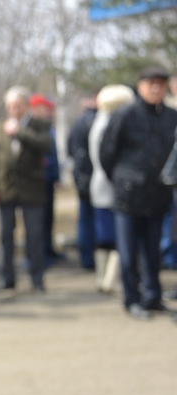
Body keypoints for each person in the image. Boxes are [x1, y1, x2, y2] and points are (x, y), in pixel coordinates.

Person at [99, 66, 177, 319]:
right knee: (128, 250)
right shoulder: (125, 115)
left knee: (153, 250)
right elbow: (107, 153)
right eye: (151, 83)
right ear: (140, 86)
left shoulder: (171, 116)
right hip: (129, 195)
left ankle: (153, 296)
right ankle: (131, 298)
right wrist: (122, 179)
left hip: (158, 195)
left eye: (160, 84)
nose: (156, 88)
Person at [0, 86, 52, 292]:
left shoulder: (38, 124)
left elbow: (46, 145)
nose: (14, 109)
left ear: (26, 105)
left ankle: (37, 278)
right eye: (10, 106)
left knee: (34, 235)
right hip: (6, 189)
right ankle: (7, 277)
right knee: (6, 235)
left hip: (31, 189)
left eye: (18, 105)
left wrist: (20, 132)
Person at [88, 85, 134, 293]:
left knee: (104, 234)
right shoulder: (111, 124)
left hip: (99, 185)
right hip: (111, 184)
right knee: (116, 235)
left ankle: (103, 278)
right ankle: (110, 279)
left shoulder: (98, 121)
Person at [29, 94, 64, 264]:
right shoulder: (32, 127)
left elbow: (54, 155)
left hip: (49, 178)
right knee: (39, 220)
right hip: (37, 180)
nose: (50, 113)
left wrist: (57, 176)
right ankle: (38, 255)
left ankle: (48, 250)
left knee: (49, 217)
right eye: (46, 109)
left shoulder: (48, 127)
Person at [69, 93, 99, 270]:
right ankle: (90, 257)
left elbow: (69, 147)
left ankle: (86, 256)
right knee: (92, 219)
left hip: (81, 175)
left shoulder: (78, 121)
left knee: (85, 218)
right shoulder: (94, 120)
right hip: (92, 176)